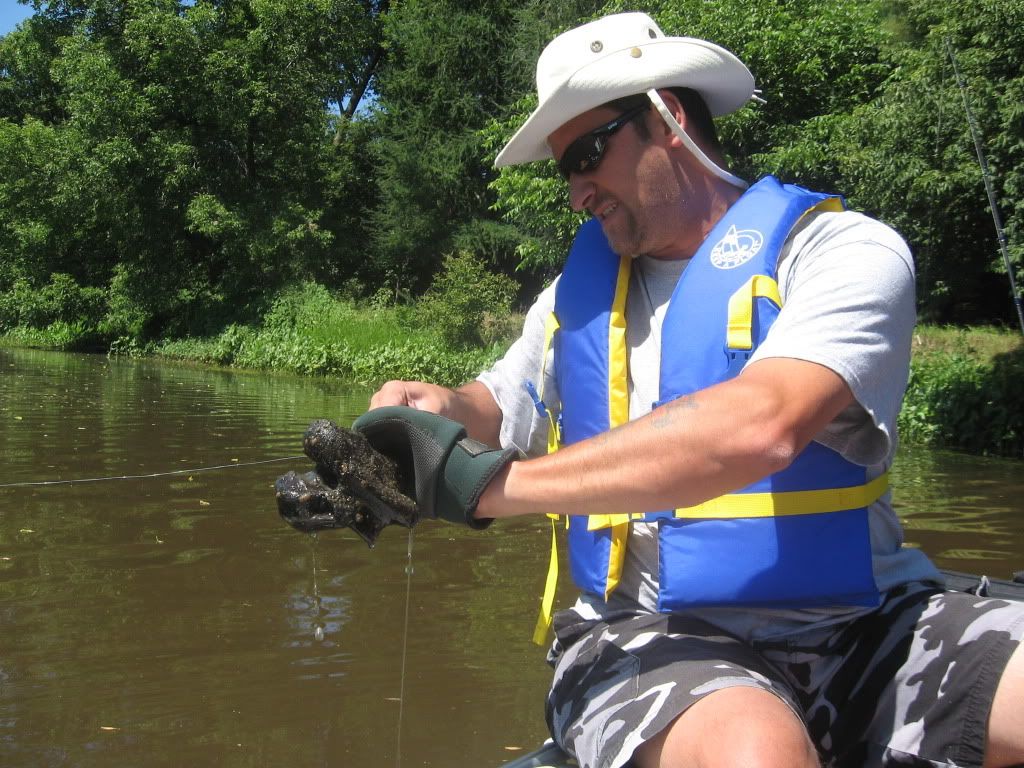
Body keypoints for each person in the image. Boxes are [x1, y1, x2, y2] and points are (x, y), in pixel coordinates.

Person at [355, 12, 1024, 768]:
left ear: (668, 116)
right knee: (755, 750)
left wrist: (487, 488)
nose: (576, 192)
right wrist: (433, 414)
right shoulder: (571, 299)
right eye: (562, 169)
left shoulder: (841, 249)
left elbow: (761, 424)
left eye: (586, 154)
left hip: (865, 618)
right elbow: (494, 409)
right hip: (646, 631)